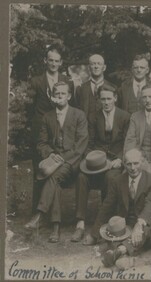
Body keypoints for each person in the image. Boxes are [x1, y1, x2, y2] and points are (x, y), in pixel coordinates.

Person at [24, 81, 88, 243]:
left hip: (73, 163)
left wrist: (64, 160)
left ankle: (39, 215)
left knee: (54, 176)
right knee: (55, 179)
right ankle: (55, 227)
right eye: (57, 93)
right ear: (53, 96)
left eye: (62, 93)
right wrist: (51, 154)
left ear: (69, 96)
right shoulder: (48, 116)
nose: (59, 96)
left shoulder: (79, 115)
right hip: (55, 162)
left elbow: (81, 146)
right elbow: (41, 143)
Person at [71, 85, 130, 242]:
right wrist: (91, 159)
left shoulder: (124, 116)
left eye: (109, 98)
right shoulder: (93, 116)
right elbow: (88, 142)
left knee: (111, 178)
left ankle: (104, 222)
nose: (106, 102)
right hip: (97, 161)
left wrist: (120, 159)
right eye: (103, 99)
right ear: (99, 100)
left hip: (116, 161)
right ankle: (80, 223)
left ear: (115, 98)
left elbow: (127, 142)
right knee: (82, 177)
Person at [82, 149, 151, 263]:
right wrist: (94, 234)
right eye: (129, 164)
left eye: (136, 163)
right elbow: (106, 207)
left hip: (146, 223)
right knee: (114, 232)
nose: (133, 168)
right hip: (126, 225)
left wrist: (139, 225)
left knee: (144, 233)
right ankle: (122, 253)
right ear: (124, 164)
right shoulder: (118, 181)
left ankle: (119, 251)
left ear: (143, 162)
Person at [27, 45, 73, 213]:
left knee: (56, 171)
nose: (53, 63)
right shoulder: (36, 81)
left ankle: (53, 212)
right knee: (40, 170)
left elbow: (70, 104)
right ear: (45, 61)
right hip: (41, 132)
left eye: (56, 61)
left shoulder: (67, 81)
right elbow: (30, 109)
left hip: (60, 131)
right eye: (50, 60)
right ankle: (37, 213)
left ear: (61, 62)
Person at [124, 85, 151, 178]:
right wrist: (133, 160)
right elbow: (130, 140)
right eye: (144, 97)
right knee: (125, 179)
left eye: (150, 97)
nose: (147, 100)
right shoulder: (135, 117)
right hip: (137, 161)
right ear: (141, 98)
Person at [76, 54, 115, 123]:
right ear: (88, 67)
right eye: (93, 64)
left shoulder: (113, 88)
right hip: (86, 130)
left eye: (99, 64)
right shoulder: (81, 89)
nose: (96, 66)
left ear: (104, 67)